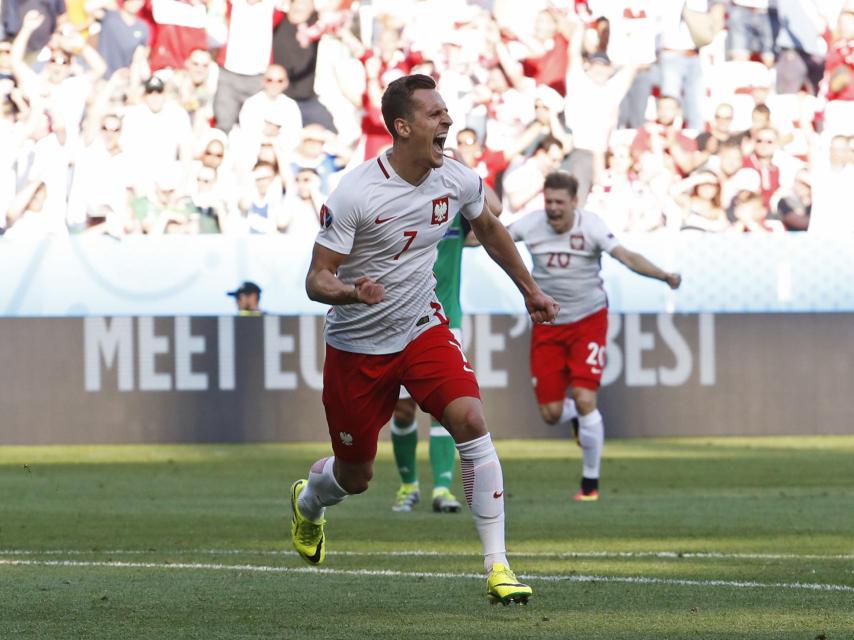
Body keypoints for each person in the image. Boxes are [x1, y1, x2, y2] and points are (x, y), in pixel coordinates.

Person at [290, 73, 558, 605]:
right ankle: (309, 504)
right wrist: (350, 292)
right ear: (402, 127)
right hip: (358, 346)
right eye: (436, 115)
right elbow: (315, 279)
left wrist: (530, 288)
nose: (448, 122)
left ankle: (498, 566)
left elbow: (491, 228)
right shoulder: (356, 193)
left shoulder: (455, 178)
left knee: (470, 421)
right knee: (355, 475)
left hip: (421, 326)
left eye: (447, 113)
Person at [508, 171, 681, 502]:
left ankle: (590, 484)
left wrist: (663, 276)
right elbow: (488, 237)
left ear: (576, 202)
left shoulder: (592, 227)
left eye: (560, 202)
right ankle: (576, 422)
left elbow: (626, 256)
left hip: (588, 320)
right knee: (551, 414)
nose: (553, 209)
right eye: (549, 202)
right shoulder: (529, 225)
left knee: (586, 399)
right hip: (547, 325)